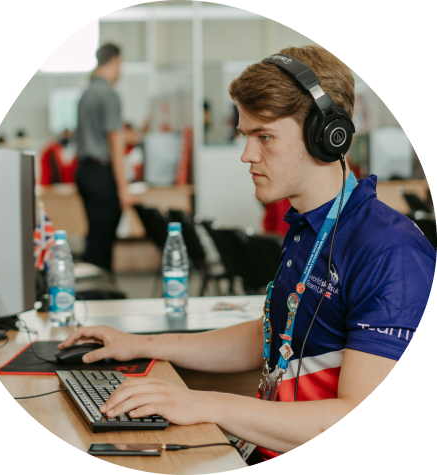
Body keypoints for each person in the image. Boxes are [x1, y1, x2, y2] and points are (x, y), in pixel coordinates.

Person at [58, 46, 437, 464]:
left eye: (265, 137)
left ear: (328, 136)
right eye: (246, 135)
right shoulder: (310, 224)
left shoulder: (388, 251)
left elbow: (360, 421)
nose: (247, 155)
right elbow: (270, 334)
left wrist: (206, 404)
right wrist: (142, 344)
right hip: (265, 446)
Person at [75, 43, 136, 271]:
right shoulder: (109, 94)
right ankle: (97, 293)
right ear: (114, 61)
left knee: (96, 236)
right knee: (101, 242)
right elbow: (114, 143)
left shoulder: (86, 93)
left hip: (85, 172)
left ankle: (99, 289)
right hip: (102, 174)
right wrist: (123, 189)